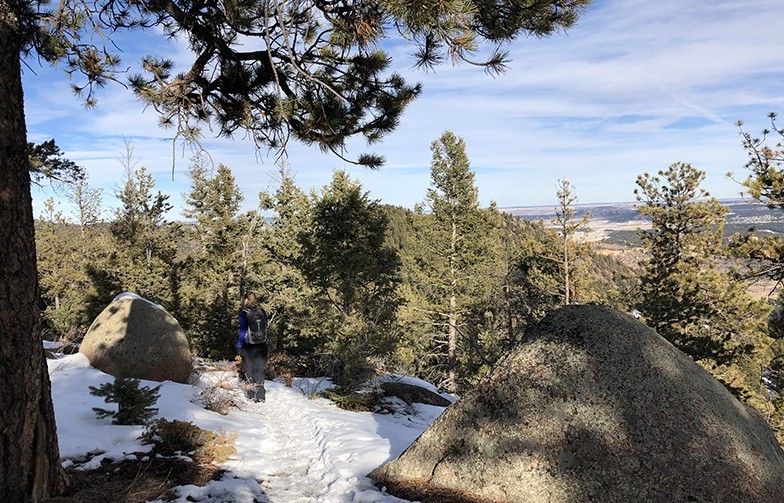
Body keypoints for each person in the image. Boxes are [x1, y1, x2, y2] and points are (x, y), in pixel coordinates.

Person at [237, 291, 269, 402]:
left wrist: (239, 345)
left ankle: (251, 394)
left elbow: (242, 331)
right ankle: (260, 396)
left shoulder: (243, 313)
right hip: (262, 345)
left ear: (247, 299)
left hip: (248, 346)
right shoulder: (262, 311)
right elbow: (266, 326)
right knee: (259, 370)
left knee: (248, 369)